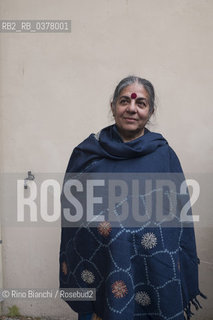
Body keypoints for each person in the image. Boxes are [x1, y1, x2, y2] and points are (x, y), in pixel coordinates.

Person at [59, 76, 205, 320]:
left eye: (141, 103)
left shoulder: (164, 156)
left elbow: (177, 217)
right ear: (113, 105)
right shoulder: (88, 153)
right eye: (124, 101)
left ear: (150, 111)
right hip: (100, 265)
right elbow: (73, 211)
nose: (132, 108)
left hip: (151, 268)